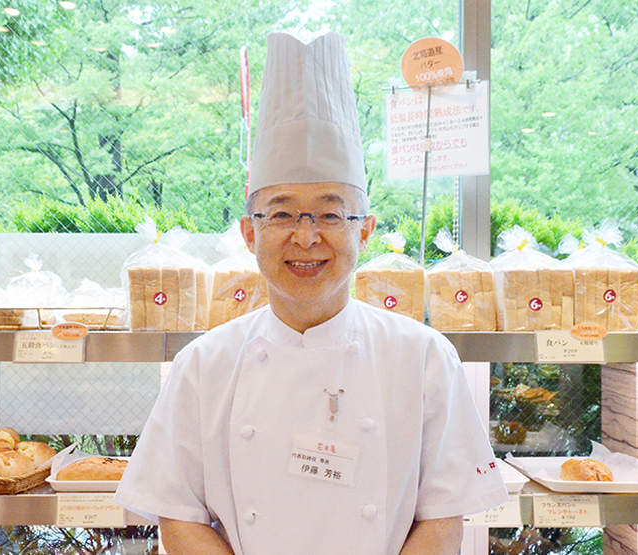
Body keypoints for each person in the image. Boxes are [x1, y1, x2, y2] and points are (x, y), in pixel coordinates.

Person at [113, 31, 507, 555]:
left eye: (328, 212)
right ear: (249, 233)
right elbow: (179, 517)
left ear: (363, 231)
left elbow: (441, 519)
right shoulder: (203, 365)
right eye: (280, 213)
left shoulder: (424, 357)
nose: (306, 236)